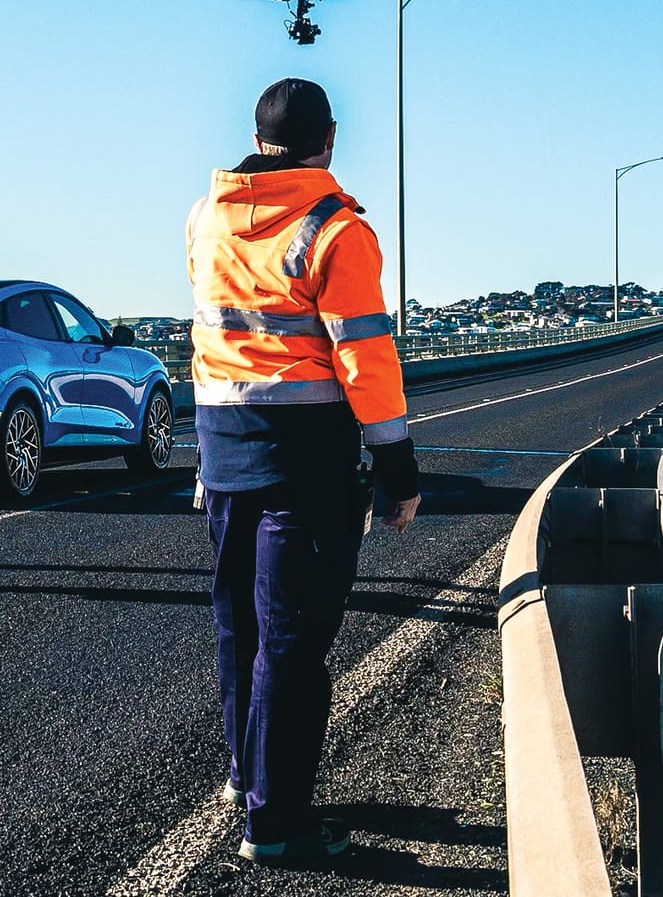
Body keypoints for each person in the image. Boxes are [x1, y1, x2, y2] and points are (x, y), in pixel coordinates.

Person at [186, 78, 421, 866]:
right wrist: (397, 466)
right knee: (291, 640)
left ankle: (244, 775)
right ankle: (276, 820)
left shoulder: (206, 218)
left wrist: (203, 460)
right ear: (328, 142)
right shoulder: (335, 229)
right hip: (305, 465)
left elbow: (209, 344)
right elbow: (364, 355)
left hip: (225, 452)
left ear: (258, 142)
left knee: (239, 626)